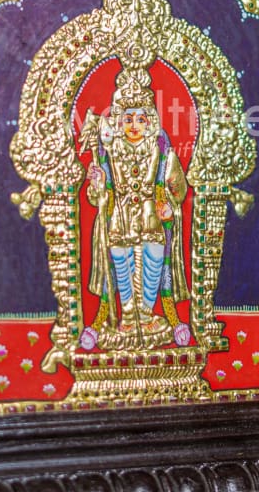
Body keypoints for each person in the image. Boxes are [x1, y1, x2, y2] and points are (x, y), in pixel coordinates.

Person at [78, 66, 192, 351]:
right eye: (128, 119)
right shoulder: (110, 151)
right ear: (118, 121)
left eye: (140, 119)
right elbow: (97, 195)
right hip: (120, 220)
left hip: (151, 218)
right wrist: (97, 183)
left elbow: (177, 185)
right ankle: (127, 317)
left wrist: (169, 205)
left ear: (149, 121)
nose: (133, 125)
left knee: (153, 263)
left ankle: (147, 314)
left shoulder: (161, 150)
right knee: (122, 264)